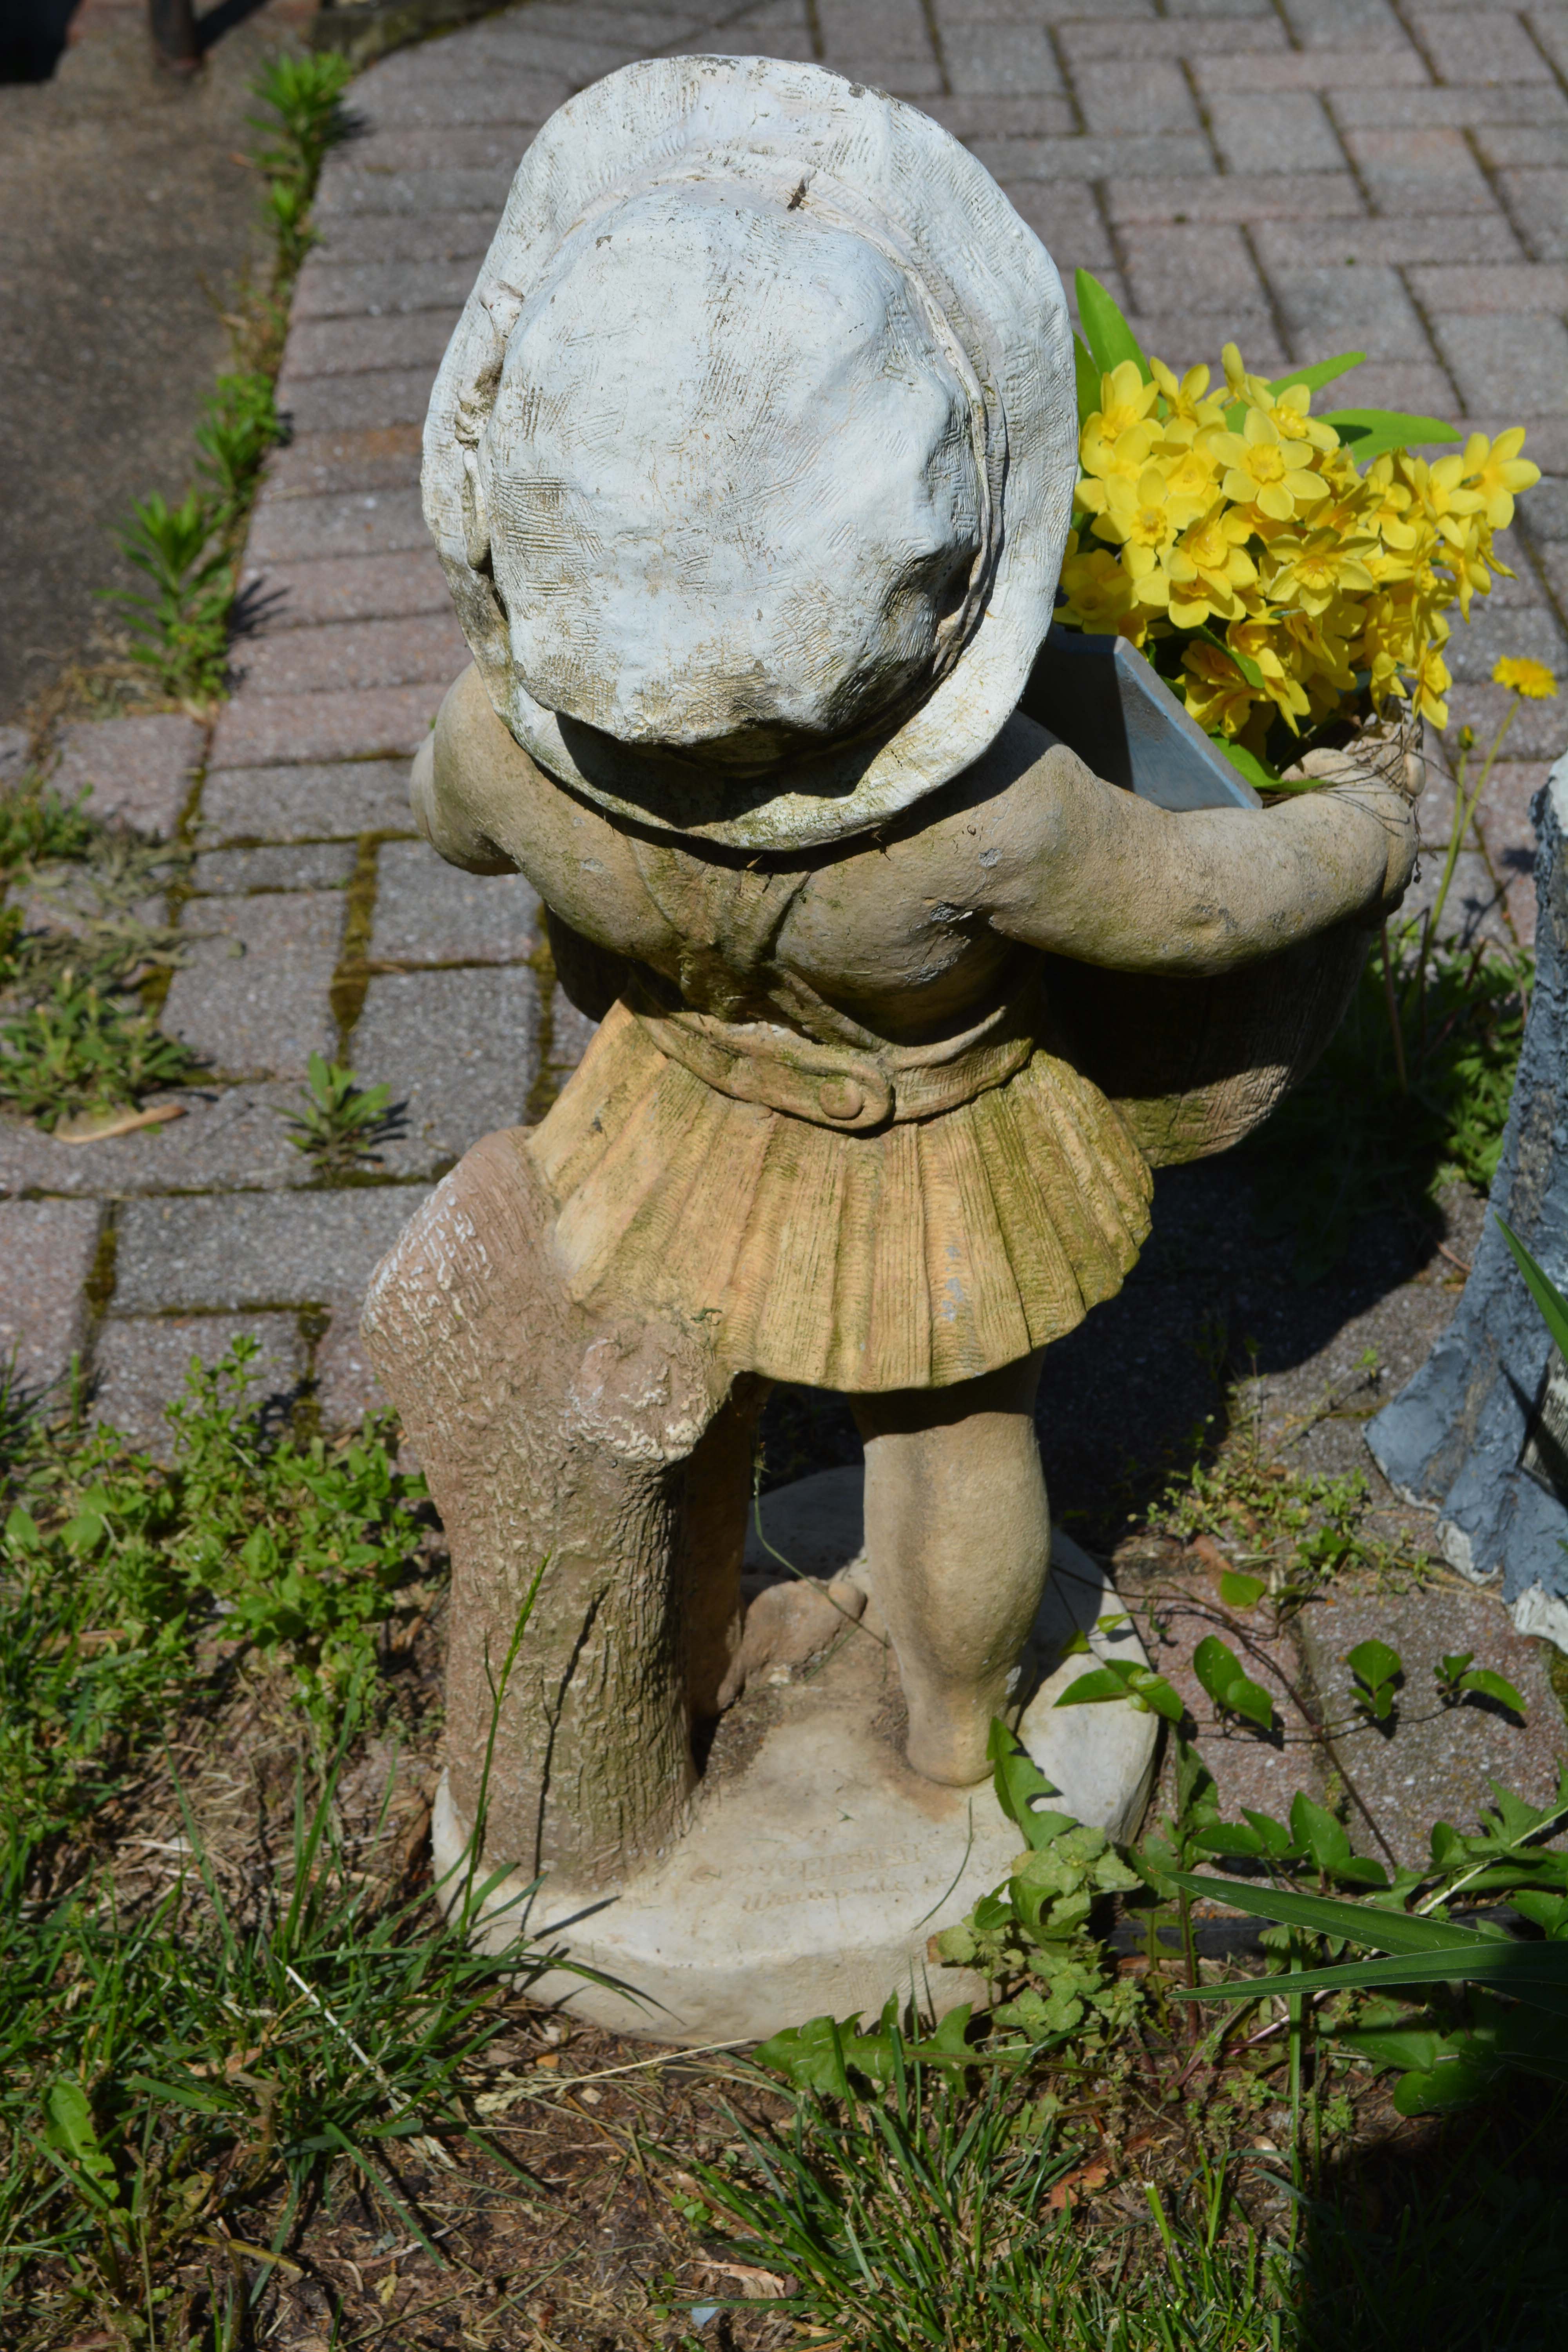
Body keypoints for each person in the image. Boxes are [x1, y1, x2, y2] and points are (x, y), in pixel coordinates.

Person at [401, 53, 1418, 1792]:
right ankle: (954, 1744)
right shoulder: (987, 821)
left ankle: (696, 1659)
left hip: (673, 1113)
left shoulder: (504, 754)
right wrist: (1364, 829)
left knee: (692, 1397)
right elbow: (1194, 906)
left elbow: (443, 829)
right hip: (930, 1144)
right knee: (955, 1431)